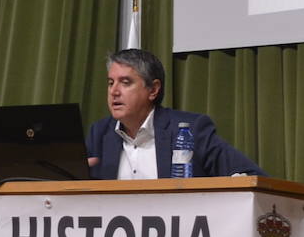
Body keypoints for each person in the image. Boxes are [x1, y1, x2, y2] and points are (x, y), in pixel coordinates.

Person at [85, 48, 265, 180]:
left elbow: (250, 176)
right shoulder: (100, 133)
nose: (114, 91)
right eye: (110, 83)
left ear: (153, 90)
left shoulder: (190, 130)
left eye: (125, 82)